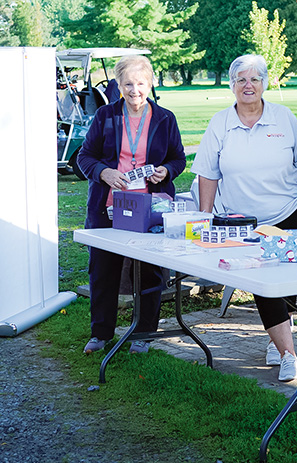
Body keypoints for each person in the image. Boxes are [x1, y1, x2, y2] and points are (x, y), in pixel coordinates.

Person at [192, 54, 297, 382]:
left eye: (255, 79)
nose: (248, 86)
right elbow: (207, 173)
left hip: (289, 213)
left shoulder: (283, 117)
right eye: (241, 80)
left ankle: (279, 344)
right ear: (232, 85)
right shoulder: (220, 123)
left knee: (287, 285)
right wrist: (205, 216)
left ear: (264, 83)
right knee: (263, 284)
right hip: (242, 222)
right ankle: (290, 354)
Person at [78, 55, 186, 355]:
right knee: (103, 271)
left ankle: (144, 334)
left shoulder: (165, 118)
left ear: (150, 84)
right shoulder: (105, 116)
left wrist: (167, 171)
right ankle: (101, 333)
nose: (134, 90)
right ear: (118, 85)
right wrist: (104, 172)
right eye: (128, 84)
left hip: (150, 210)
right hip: (108, 208)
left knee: (150, 272)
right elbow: (84, 157)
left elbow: (178, 158)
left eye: (140, 83)